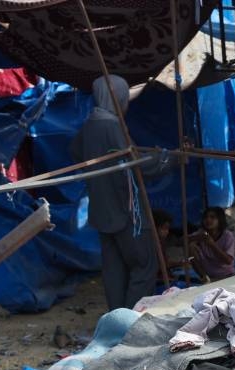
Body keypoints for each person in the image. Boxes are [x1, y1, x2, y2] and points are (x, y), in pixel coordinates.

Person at [70, 75, 170, 310]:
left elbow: (76, 152)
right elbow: (136, 166)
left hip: (102, 211)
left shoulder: (91, 124)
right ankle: (129, 323)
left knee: (114, 269)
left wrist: (99, 172)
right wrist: (168, 159)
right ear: (116, 97)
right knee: (144, 265)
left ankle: (116, 318)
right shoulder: (112, 126)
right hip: (127, 212)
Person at [188, 206, 235, 281]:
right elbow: (180, 241)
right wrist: (195, 239)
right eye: (206, 217)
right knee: (190, 247)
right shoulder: (201, 233)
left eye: (212, 217)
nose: (208, 220)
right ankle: (203, 277)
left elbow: (228, 261)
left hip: (226, 275)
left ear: (220, 220)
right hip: (208, 276)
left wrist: (212, 244)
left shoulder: (227, 236)